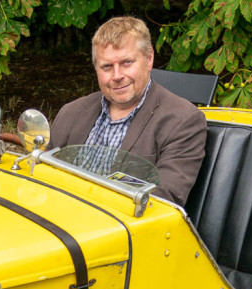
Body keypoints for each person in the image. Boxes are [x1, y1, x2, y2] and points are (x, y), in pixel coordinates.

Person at [49, 16, 206, 207]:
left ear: (149, 59)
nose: (117, 76)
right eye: (107, 66)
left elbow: (163, 200)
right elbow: (40, 173)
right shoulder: (71, 112)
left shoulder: (183, 121)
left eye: (127, 63)